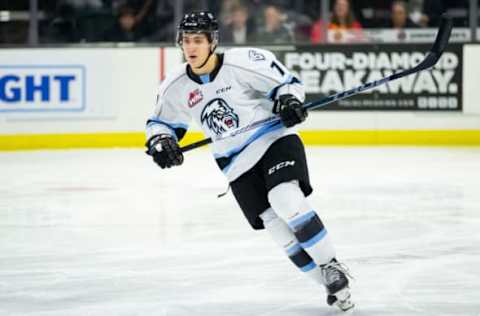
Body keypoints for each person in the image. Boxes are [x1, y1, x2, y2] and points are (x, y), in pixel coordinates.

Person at [145, 11, 354, 312]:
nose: (191, 48)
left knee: (285, 198)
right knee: (276, 228)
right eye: (186, 41)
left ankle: (331, 265)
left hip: (272, 141)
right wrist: (161, 142)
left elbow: (287, 84)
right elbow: (161, 123)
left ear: (212, 42)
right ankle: (331, 285)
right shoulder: (175, 85)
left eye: (198, 41)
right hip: (235, 164)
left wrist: (288, 101)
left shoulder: (244, 62)